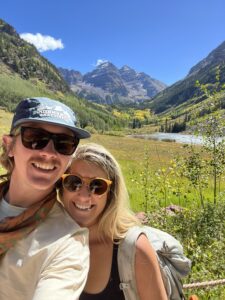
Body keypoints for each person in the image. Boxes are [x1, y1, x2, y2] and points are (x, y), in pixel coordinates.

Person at [0, 97, 91, 300]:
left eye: (64, 144)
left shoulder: (68, 243)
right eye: (35, 137)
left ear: (69, 158)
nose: (49, 153)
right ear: (9, 145)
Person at [59, 142, 168, 300]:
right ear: (61, 186)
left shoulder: (135, 249)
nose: (83, 195)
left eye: (98, 186)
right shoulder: (47, 237)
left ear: (111, 193)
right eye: (74, 182)